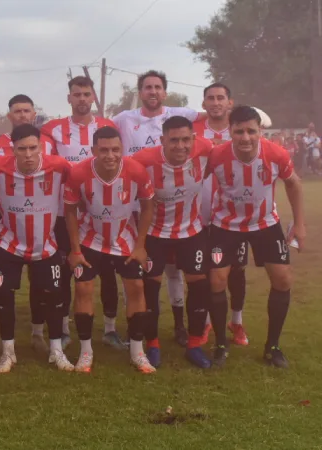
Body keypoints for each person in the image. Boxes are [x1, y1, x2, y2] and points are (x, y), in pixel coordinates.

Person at [206, 105, 305, 368]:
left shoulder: (275, 153)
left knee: (283, 278)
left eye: (251, 131)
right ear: (230, 132)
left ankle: (273, 346)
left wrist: (299, 224)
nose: (245, 137)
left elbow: (294, 183)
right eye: (239, 131)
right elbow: (195, 183)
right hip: (225, 225)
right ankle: (220, 345)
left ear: (261, 130)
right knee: (216, 280)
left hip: (264, 223)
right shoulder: (216, 156)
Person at [112, 70, 204, 347]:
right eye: (147, 87)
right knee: (141, 275)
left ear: (165, 92)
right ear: (140, 93)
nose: (153, 92)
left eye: (157, 87)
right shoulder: (123, 119)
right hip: (142, 211)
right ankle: (140, 330)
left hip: (184, 213)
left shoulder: (181, 115)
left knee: (178, 273)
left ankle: (181, 327)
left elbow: (213, 115)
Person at [42, 76, 127, 350]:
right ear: (69, 98)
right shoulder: (52, 129)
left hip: (103, 212)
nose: (81, 99)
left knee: (109, 272)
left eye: (86, 94)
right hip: (65, 212)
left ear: (93, 97)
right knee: (69, 271)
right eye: (76, 94)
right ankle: (65, 328)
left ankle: (110, 329)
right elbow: (43, 159)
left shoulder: (108, 126)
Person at [64, 126, 156, 374]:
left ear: (122, 149)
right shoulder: (79, 173)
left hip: (125, 239)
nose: (110, 155)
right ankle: (86, 353)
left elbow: (148, 206)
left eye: (115, 149)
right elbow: (70, 211)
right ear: (93, 150)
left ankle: (137, 352)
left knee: (136, 288)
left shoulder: (136, 171)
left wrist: (140, 246)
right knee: (83, 288)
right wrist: (74, 250)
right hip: (89, 239)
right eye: (103, 150)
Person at [0, 124, 74, 373]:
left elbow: (80, 182)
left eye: (32, 147)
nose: (27, 153)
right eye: (21, 148)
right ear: (12, 149)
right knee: (4, 298)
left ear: (41, 147)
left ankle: (56, 350)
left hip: (46, 246)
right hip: (8, 246)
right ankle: (8, 351)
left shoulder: (59, 166)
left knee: (55, 298)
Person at [131, 116, 214, 369]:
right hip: (156, 234)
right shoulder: (143, 161)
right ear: (162, 140)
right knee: (151, 288)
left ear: (194, 139)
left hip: (192, 232)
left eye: (186, 139)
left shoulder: (206, 150)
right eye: (174, 140)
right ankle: (153, 343)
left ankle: (194, 344)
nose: (181, 146)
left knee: (199, 286)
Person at [0, 94, 61, 354]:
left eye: (26, 110)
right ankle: (4, 338)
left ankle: (37, 331)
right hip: (8, 216)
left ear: (33, 113)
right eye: (16, 111)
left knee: (39, 275)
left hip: (42, 215)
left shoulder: (49, 143)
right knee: (5, 279)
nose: (21, 115)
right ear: (10, 116)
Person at [193, 83, 250, 347]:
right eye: (210, 98)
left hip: (234, 213)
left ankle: (236, 321)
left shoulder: (241, 129)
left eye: (221, 98)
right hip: (200, 212)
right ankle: (206, 323)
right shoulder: (192, 131)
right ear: (203, 103)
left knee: (237, 270)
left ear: (230, 102)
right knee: (207, 271)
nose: (215, 102)